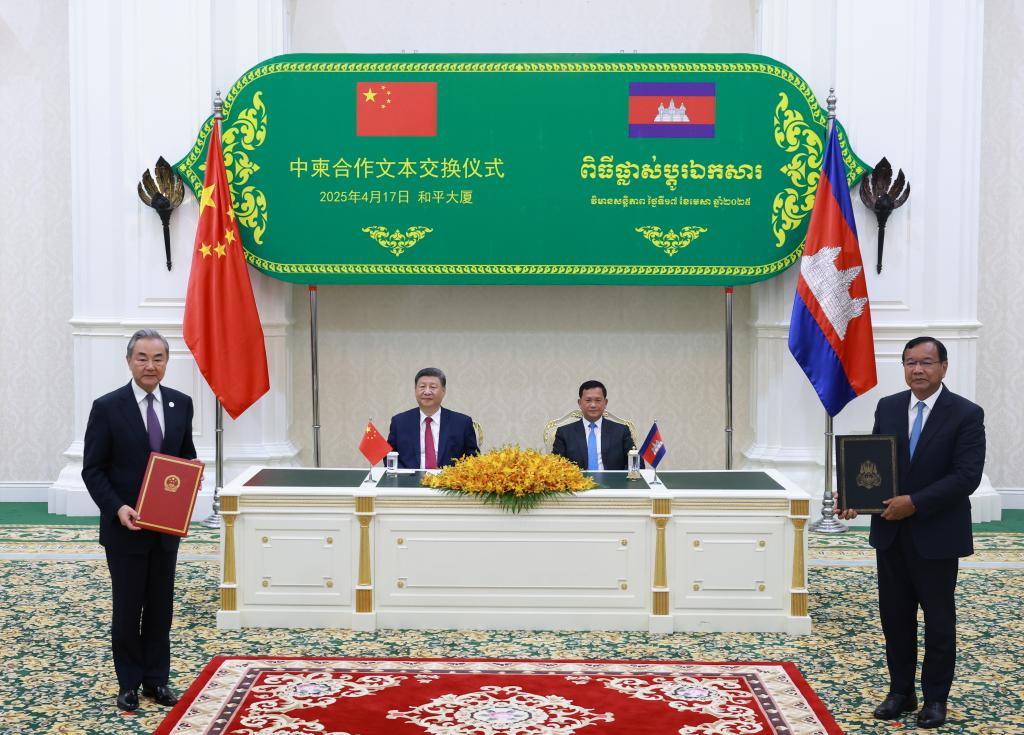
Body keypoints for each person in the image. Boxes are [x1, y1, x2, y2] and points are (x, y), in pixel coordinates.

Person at [839, 336, 985, 729]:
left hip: (937, 534)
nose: (917, 369)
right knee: (895, 618)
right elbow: (874, 466)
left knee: (939, 622)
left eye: (926, 362)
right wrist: (855, 497)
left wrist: (915, 502)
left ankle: (935, 699)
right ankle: (901, 692)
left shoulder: (966, 414)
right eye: (910, 363)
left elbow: (966, 477)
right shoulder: (888, 407)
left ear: (944, 367)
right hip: (891, 533)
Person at [82, 329, 197, 712]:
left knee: (161, 609)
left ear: (167, 362)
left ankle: (156, 681)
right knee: (128, 609)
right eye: (142, 358)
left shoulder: (181, 404)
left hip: (166, 529)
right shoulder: (107, 407)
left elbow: (184, 457)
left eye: (158, 358)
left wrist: (192, 475)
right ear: (129, 361)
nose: (150, 366)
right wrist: (117, 508)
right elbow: (93, 470)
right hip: (125, 527)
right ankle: (129, 683)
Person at [387, 367, 479, 469]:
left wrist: (453, 475)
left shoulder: (462, 423)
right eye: (422, 386)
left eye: (433, 387)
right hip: (409, 478)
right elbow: (389, 456)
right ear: (415, 390)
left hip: (448, 477)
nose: (427, 392)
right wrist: (405, 475)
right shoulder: (399, 422)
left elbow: (473, 458)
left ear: (443, 391)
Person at [552, 380, 636, 471]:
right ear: (579, 403)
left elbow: (636, 464)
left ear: (605, 402)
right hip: (577, 480)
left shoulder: (621, 431)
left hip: (613, 480)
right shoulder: (564, 433)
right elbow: (556, 467)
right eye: (588, 400)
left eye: (598, 400)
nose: (593, 405)